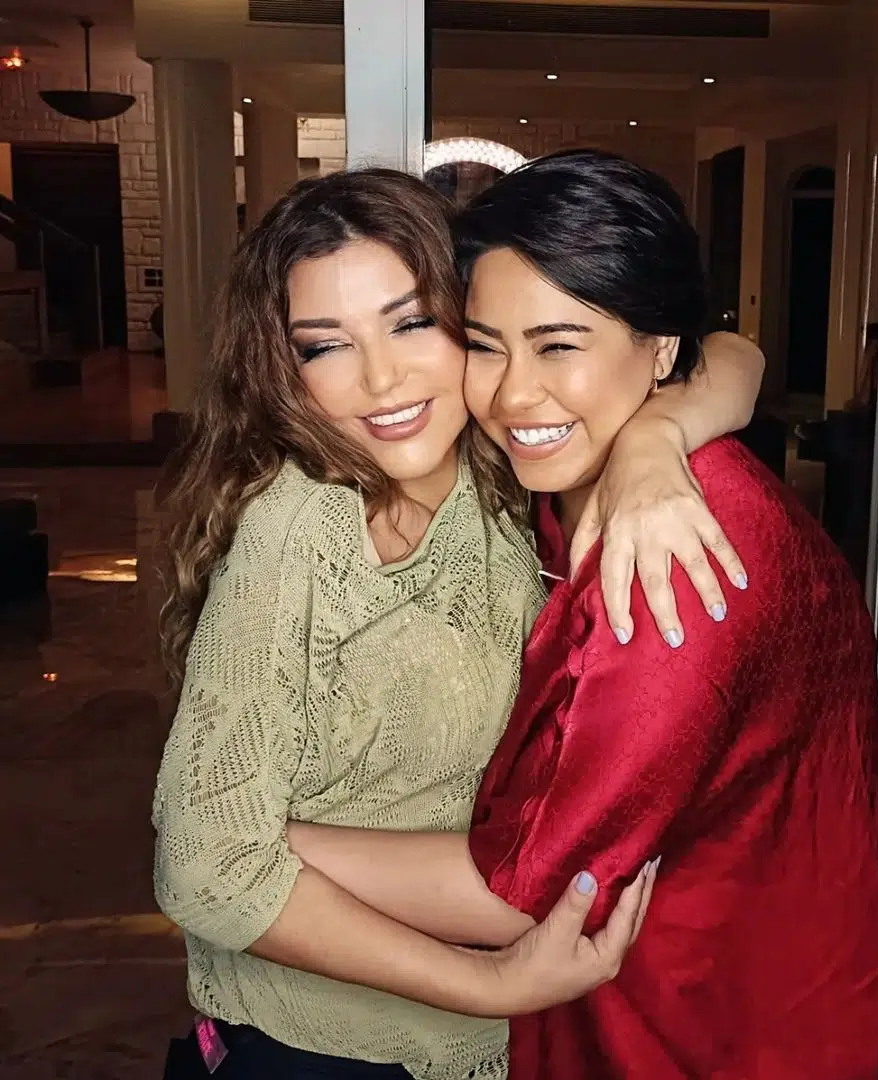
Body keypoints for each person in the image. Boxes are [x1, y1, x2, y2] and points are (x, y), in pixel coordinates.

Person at [288, 151, 878, 1078]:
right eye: (485, 344)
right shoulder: (592, 468)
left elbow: (532, 883)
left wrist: (253, 842)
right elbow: (732, 352)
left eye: (558, 345)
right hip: (698, 985)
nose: (512, 394)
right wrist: (659, 429)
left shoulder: (676, 566)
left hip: (767, 1031)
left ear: (659, 351)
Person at [153, 167, 765, 1080]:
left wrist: (654, 440)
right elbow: (202, 864)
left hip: (483, 1047)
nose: (381, 379)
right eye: (325, 346)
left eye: (410, 324)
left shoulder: (505, 462)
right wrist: (494, 984)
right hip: (318, 1048)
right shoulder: (302, 533)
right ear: (283, 370)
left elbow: (734, 355)